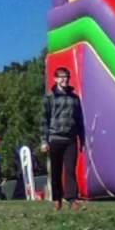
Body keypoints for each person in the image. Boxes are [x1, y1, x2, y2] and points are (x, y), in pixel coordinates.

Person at [41, 67, 86, 211]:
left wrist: (82, 139)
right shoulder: (49, 98)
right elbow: (44, 120)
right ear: (55, 79)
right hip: (55, 138)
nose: (64, 79)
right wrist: (44, 141)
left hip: (70, 139)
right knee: (55, 171)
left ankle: (72, 198)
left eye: (66, 76)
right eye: (60, 77)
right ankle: (57, 199)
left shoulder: (74, 98)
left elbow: (79, 120)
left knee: (70, 170)